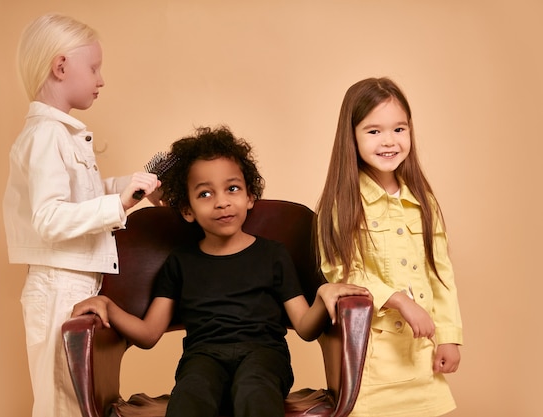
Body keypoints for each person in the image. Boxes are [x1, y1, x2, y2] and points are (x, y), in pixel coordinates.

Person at [72, 125, 370, 417]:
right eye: (204, 194)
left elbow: (305, 326)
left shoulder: (273, 255)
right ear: (186, 209)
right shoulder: (181, 262)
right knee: (190, 397)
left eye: (232, 189)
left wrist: (323, 293)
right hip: (202, 358)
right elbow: (149, 334)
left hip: (264, 355)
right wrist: (108, 306)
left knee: (253, 391)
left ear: (250, 196)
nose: (222, 202)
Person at [2, 13, 161, 417]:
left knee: (80, 401)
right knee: (62, 404)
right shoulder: (45, 136)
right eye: (93, 68)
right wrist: (119, 205)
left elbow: (81, 196)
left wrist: (128, 188)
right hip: (58, 287)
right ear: (60, 67)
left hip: (76, 285)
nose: (101, 79)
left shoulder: (64, 134)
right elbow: (49, 219)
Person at [315, 77, 463, 416]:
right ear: (351, 136)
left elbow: (440, 271)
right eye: (373, 131)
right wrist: (399, 301)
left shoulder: (422, 202)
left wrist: (450, 336)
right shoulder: (342, 204)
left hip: (422, 358)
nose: (389, 141)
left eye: (399, 129)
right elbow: (341, 271)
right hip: (373, 362)